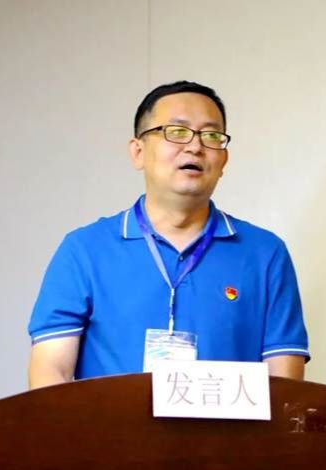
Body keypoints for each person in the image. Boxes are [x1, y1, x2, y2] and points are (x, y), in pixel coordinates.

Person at [27, 81, 309, 389]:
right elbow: (51, 372)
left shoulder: (265, 254)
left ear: (224, 161)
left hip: (226, 422)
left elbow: (285, 386)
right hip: (112, 424)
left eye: (211, 136)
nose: (195, 147)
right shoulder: (84, 250)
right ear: (138, 152)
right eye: (177, 131)